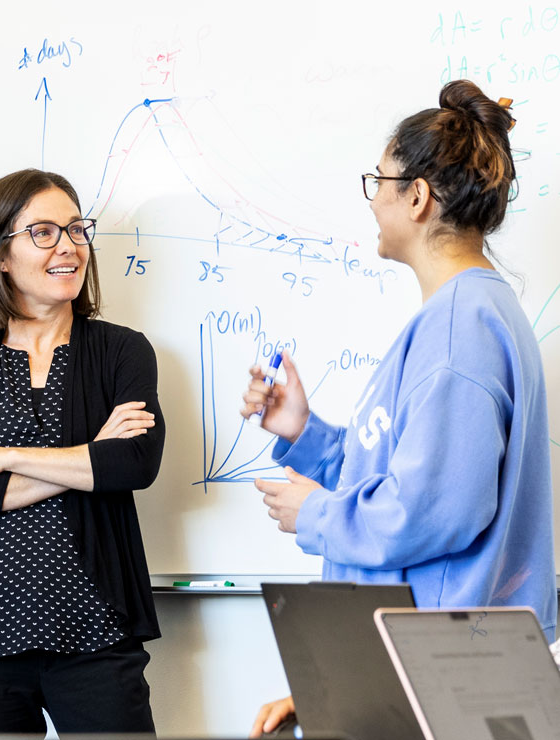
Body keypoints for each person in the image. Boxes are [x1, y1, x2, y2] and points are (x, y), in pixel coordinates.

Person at [241, 80, 557, 736]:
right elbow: (407, 469)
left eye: (377, 181)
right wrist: (302, 431)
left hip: (444, 671)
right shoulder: (466, 314)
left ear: (416, 197)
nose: (374, 200)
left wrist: (317, 515)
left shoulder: (459, 329)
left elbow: (436, 510)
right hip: (437, 663)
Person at [0, 168, 165, 736]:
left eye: (77, 230)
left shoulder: (121, 351)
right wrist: (91, 456)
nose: (68, 246)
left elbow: (134, 465)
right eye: (44, 232)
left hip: (96, 632)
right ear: (0, 256)